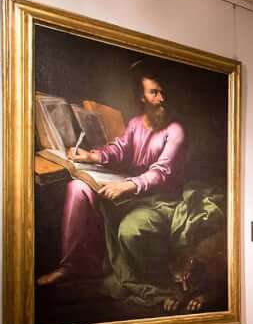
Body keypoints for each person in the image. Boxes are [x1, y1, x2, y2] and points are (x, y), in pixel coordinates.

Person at [37, 60, 188, 309]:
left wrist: (127, 186)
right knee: (77, 187)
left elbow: (161, 172)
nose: (161, 99)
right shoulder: (136, 124)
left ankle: (153, 282)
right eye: (154, 92)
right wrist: (91, 156)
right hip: (131, 192)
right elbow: (119, 149)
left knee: (131, 230)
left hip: (160, 201)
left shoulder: (175, 130)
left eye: (163, 92)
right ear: (141, 97)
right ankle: (72, 266)